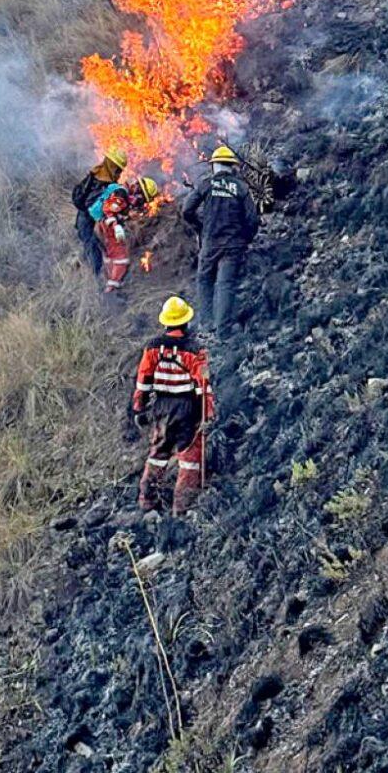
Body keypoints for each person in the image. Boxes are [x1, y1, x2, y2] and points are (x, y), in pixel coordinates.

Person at [132, 296, 214, 515]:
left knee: (158, 454)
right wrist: (208, 415)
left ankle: (147, 500)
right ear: (186, 322)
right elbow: (203, 385)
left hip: (161, 409)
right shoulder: (196, 350)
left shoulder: (152, 348)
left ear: (166, 322)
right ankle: (182, 507)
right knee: (189, 459)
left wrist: (139, 408)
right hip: (188, 411)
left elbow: (143, 380)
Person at [182, 146, 260, 336]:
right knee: (226, 284)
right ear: (232, 166)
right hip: (234, 245)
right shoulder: (241, 188)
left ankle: (207, 324)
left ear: (214, 166)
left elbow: (186, 210)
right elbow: (253, 219)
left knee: (204, 280)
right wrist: (245, 239)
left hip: (210, 243)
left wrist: (200, 227)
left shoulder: (206, 184)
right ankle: (223, 331)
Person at [71, 150, 128, 272]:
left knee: (92, 245)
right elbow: (88, 204)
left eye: (119, 170)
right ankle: (95, 279)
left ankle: (80, 265)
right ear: (110, 164)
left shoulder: (97, 173)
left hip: (87, 218)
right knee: (92, 247)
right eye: (116, 168)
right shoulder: (101, 180)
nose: (118, 172)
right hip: (86, 219)